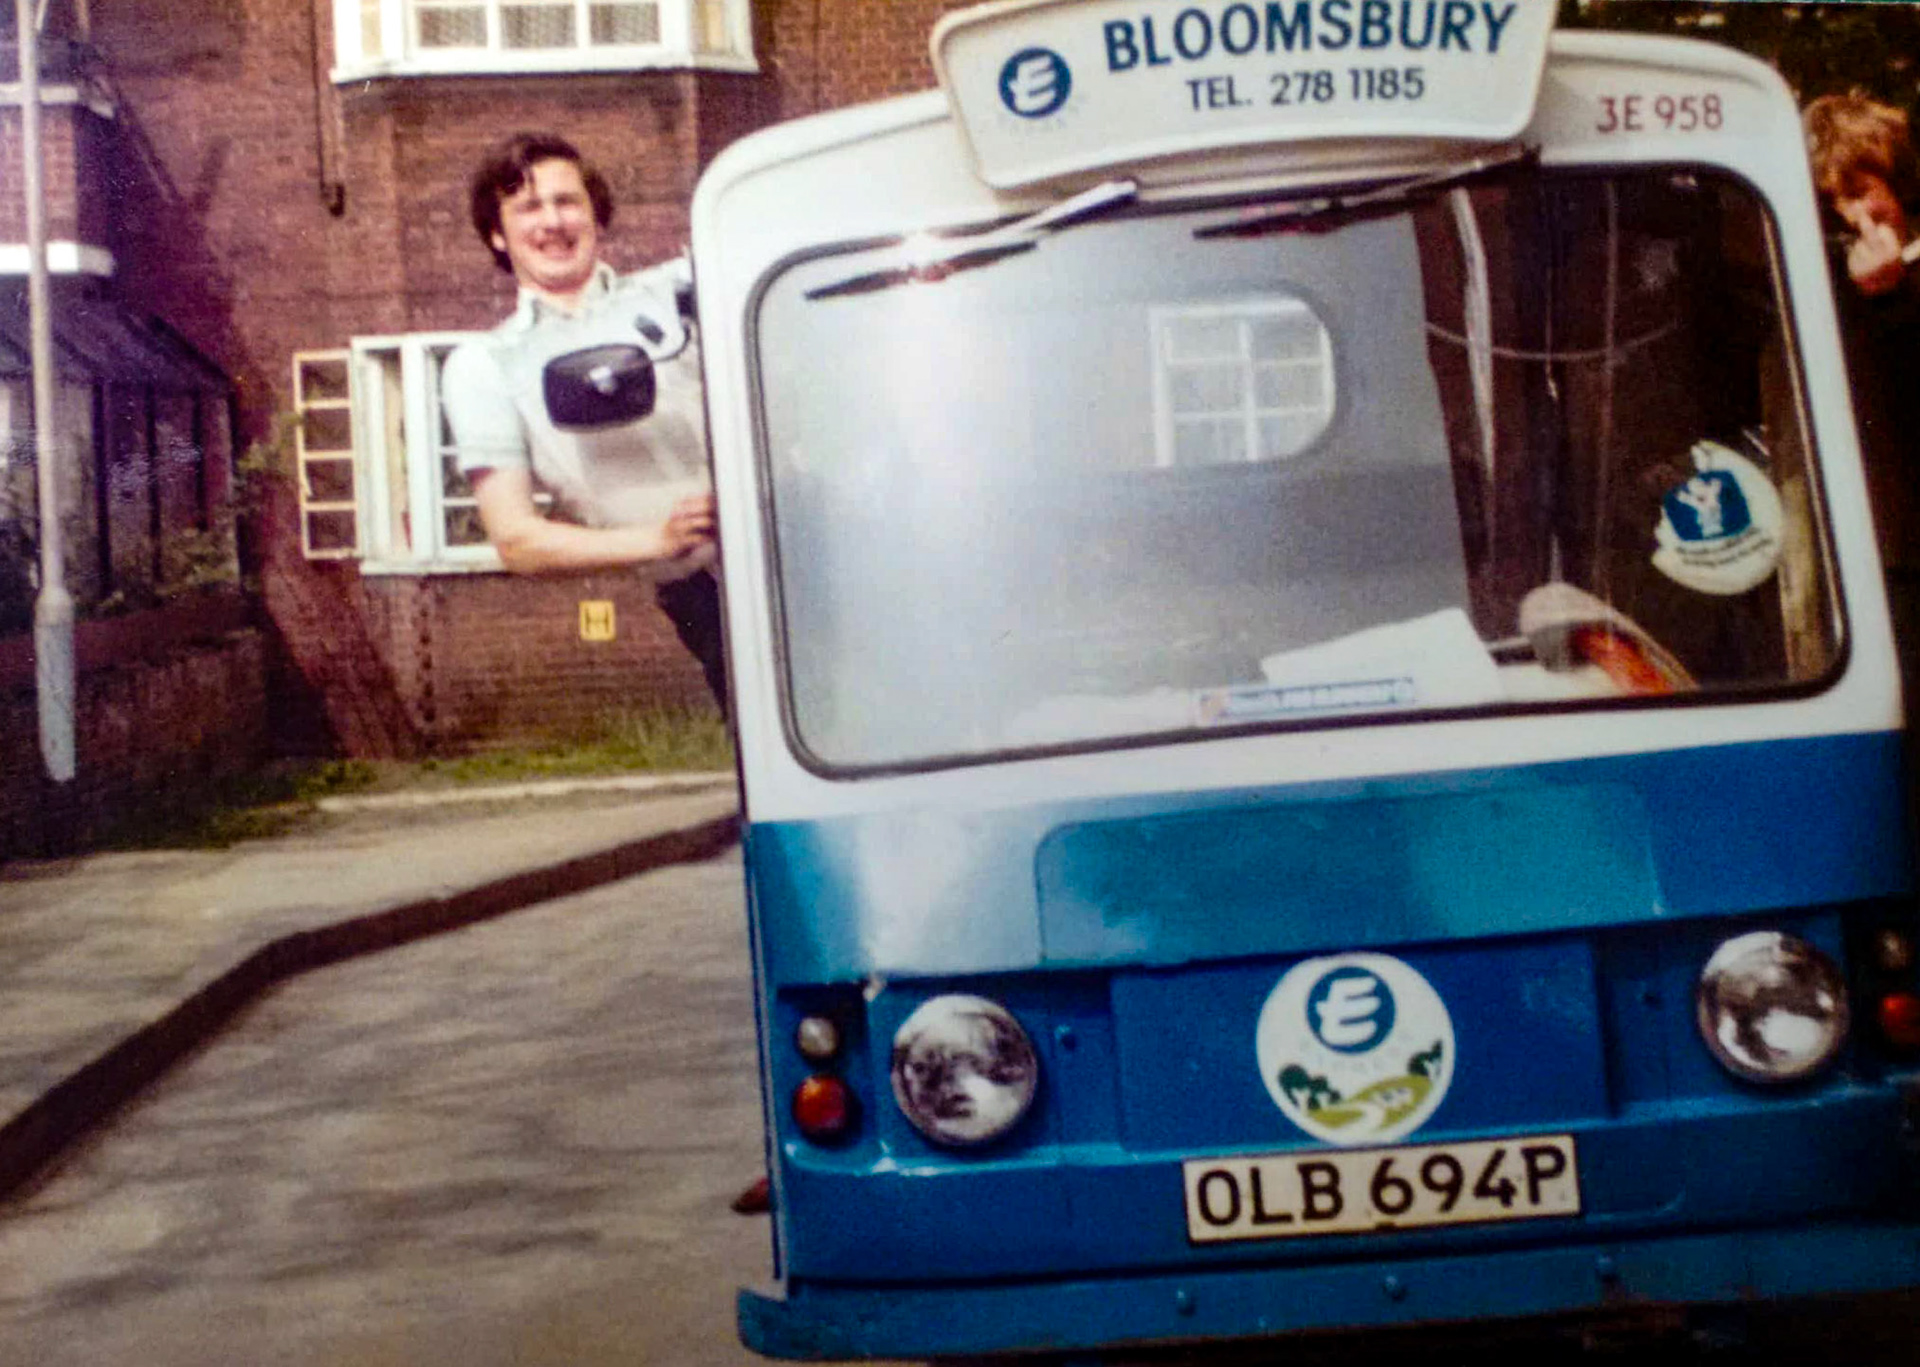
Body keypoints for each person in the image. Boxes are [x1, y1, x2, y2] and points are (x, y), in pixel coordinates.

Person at [441, 131, 727, 713]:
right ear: (498, 234)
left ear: (595, 212)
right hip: (702, 594)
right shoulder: (487, 367)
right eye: (527, 207)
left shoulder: (683, 292)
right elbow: (518, 540)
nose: (552, 220)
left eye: (567, 201)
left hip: (797, 548)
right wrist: (660, 540)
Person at [1804, 92, 1920, 727]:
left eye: (1861, 191)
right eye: (1833, 203)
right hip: (1857, 561)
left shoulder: (1898, 292)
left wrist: (1892, 304)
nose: (1853, 216)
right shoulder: (1823, 290)